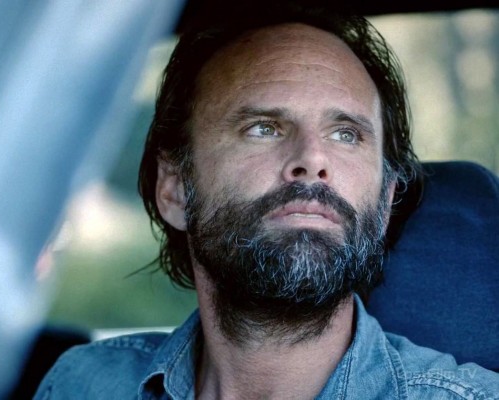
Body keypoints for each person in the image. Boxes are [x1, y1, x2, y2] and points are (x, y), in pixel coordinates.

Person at [34, 4, 499, 399]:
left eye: (345, 134)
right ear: (174, 188)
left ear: (386, 199)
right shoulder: (81, 384)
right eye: (264, 128)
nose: (312, 160)